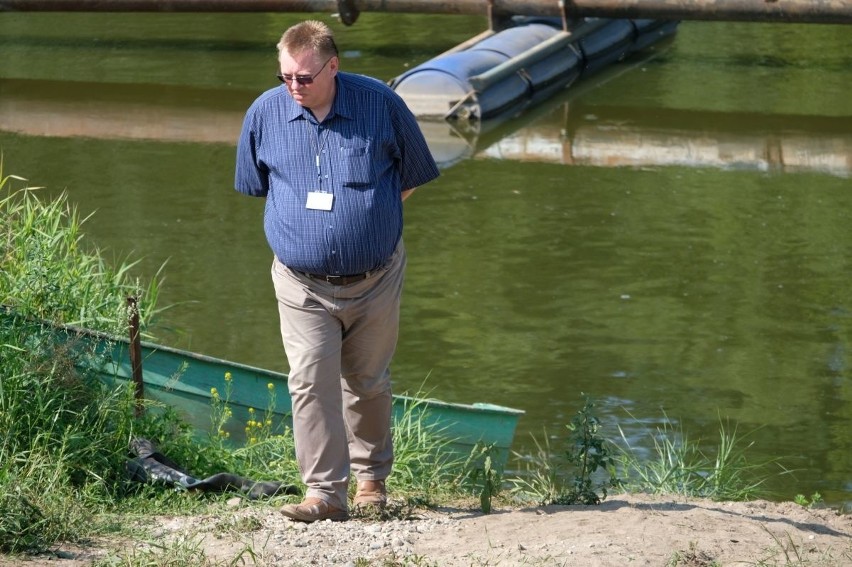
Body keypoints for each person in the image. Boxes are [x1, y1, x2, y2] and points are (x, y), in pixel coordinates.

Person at [234, 20, 440, 523]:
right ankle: (324, 494)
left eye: (304, 78)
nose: (293, 87)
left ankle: (371, 481)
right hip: (300, 282)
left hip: (376, 277)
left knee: (366, 380)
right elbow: (256, 185)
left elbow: (412, 177)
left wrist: (368, 219)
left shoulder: (381, 105)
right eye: (285, 76)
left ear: (333, 66)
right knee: (308, 379)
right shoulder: (264, 112)